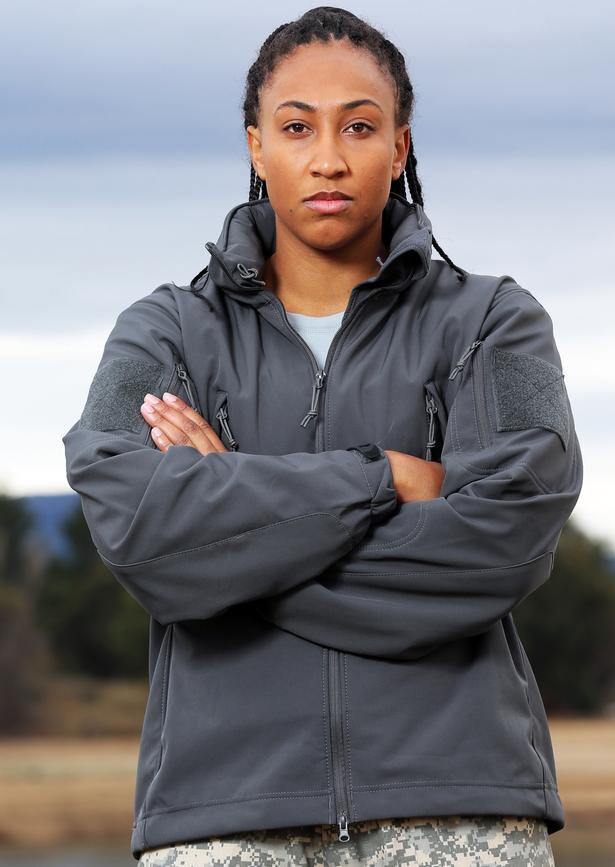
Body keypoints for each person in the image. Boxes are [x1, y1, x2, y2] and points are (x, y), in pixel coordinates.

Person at [62, 6, 583, 866]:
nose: (329, 157)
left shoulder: (496, 323)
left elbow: (508, 536)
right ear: (256, 147)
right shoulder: (161, 334)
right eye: (297, 126)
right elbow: (140, 532)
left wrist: (236, 534)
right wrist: (380, 476)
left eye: (361, 126)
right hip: (220, 813)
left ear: (402, 147)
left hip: (460, 808)